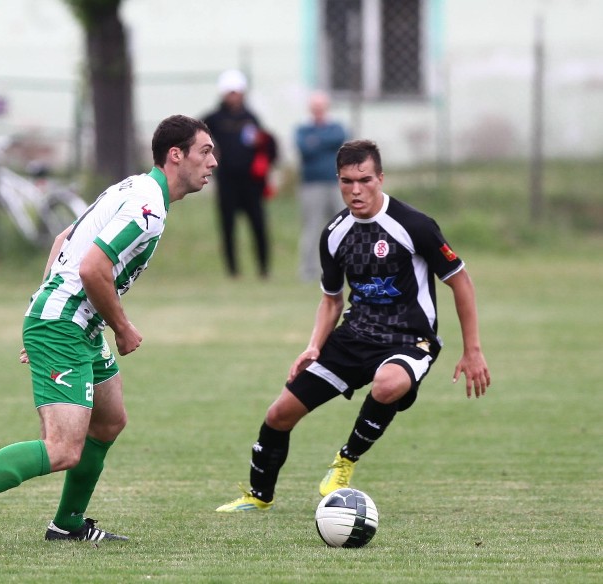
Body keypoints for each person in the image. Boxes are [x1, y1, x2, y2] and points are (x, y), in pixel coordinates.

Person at [0, 115, 217, 552]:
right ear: (176, 155)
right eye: (205, 152)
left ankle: (68, 524)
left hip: (72, 323)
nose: (213, 162)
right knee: (62, 448)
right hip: (66, 325)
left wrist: (44, 304)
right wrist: (122, 328)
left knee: (110, 421)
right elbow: (92, 268)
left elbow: (64, 237)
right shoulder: (147, 209)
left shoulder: (134, 188)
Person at [216, 139, 490, 513]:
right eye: (347, 181)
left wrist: (472, 350)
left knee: (389, 383)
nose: (356, 190)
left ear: (380, 177)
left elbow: (460, 281)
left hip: (410, 338)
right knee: (279, 413)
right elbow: (332, 299)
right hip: (354, 336)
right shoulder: (334, 233)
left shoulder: (415, 225)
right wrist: (314, 346)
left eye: (364, 180)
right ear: (338, 180)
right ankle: (258, 496)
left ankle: (345, 461)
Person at [203, 69, 275, 279]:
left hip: (251, 183)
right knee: (228, 227)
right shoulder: (213, 119)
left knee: (259, 225)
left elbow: (264, 145)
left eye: (237, 92)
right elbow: (197, 137)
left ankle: (263, 269)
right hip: (227, 181)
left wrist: (264, 165)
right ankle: (233, 271)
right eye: (230, 92)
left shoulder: (251, 118)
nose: (234, 96)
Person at [294, 91, 347, 281]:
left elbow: (338, 140)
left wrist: (317, 141)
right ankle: (309, 271)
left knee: (343, 227)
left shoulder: (336, 127)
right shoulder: (303, 129)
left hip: (336, 183)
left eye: (321, 108)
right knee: (312, 228)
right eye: (315, 108)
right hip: (311, 185)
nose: (318, 111)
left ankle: (346, 268)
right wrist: (322, 143)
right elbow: (305, 148)